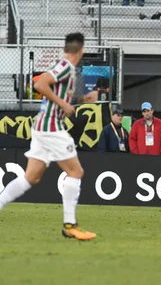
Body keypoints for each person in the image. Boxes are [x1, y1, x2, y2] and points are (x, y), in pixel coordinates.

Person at [0, 33, 98, 240]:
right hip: (51, 128)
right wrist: (63, 104)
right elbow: (40, 84)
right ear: (80, 51)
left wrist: (81, 99)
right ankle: (70, 225)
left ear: (65, 48)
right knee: (76, 171)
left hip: (42, 127)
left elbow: (60, 97)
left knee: (31, 178)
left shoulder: (65, 69)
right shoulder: (65, 67)